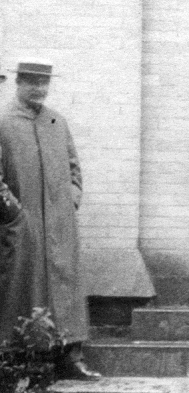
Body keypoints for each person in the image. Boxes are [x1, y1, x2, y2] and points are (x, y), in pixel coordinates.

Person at [0, 59, 100, 381]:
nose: (40, 89)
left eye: (44, 84)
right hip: (24, 224)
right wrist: (13, 212)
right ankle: (25, 359)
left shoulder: (57, 121)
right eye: (32, 83)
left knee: (66, 284)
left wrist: (72, 197)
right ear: (19, 85)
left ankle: (72, 357)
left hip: (60, 221)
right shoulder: (4, 124)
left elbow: (74, 167)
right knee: (26, 286)